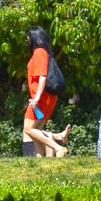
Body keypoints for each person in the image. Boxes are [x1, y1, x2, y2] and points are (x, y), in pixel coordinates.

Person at [21, 26, 70, 157]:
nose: (27, 40)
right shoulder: (44, 52)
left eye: (28, 38)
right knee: (37, 130)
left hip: (42, 98)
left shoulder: (39, 52)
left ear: (33, 38)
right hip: (46, 97)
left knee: (28, 129)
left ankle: (58, 148)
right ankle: (39, 159)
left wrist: (36, 97)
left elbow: (42, 76)